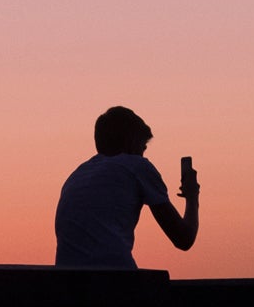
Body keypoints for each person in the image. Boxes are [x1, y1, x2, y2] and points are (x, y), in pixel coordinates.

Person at [54, 106, 199, 269]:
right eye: (143, 147)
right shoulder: (137, 166)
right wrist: (192, 196)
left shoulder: (78, 174)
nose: (142, 154)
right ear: (131, 141)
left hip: (66, 282)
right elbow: (184, 239)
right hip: (115, 279)